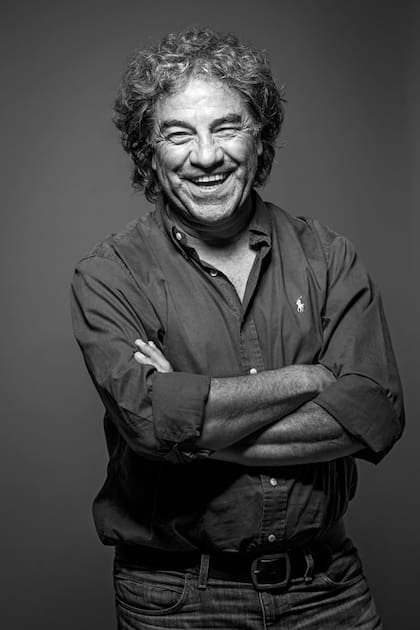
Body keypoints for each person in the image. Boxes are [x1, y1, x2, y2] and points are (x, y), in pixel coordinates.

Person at [71, 28, 405, 630]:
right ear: (149, 151)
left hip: (327, 588)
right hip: (176, 598)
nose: (205, 156)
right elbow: (148, 421)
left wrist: (192, 425)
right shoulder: (110, 275)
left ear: (260, 137)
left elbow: (374, 412)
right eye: (178, 134)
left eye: (226, 128)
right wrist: (310, 378)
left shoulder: (328, 257)